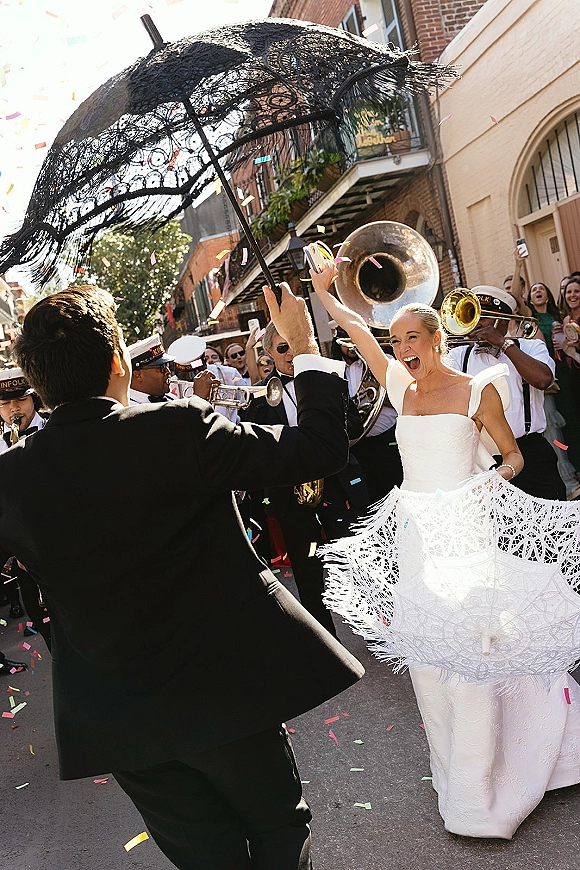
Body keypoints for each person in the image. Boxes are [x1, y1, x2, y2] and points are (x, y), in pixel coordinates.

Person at [0, 281, 364, 870]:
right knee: (277, 829)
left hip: (118, 718)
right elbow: (321, 448)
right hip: (223, 689)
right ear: (119, 359)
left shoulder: (10, 479)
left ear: (37, 387)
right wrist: (305, 348)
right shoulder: (179, 427)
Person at [310, 259, 580, 840]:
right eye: (396, 339)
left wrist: (482, 488)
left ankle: (482, 786)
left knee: (476, 655)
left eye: (413, 337)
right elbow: (355, 329)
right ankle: (454, 768)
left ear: (437, 338)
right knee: (432, 662)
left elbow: (514, 458)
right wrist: (325, 291)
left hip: (467, 536)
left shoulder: (475, 390)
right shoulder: (399, 387)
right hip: (418, 539)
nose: (402, 347)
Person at [242, 321, 368, 638]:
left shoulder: (328, 374)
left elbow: (353, 425)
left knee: (359, 561)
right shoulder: (260, 393)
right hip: (292, 495)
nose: (290, 354)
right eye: (282, 348)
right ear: (268, 353)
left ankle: (378, 630)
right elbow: (255, 443)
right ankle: (329, 645)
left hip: (338, 486)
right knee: (309, 572)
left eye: (295, 345)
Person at [446, 286, 565, 500]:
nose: (476, 325)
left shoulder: (530, 347)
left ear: (503, 319)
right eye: (473, 317)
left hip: (530, 453)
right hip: (483, 459)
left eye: (484, 318)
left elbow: (543, 380)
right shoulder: (458, 355)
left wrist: (504, 344)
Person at [330, 323, 403, 503]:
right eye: (347, 340)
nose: (352, 345)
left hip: (388, 440)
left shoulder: (383, 360)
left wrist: (377, 390)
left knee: (398, 491)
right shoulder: (333, 370)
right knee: (371, 497)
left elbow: (405, 397)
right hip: (358, 446)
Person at [528, 281, 580, 490]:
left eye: (541, 288)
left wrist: (564, 343)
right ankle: (565, 468)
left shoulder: (559, 318)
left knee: (572, 418)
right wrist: (519, 264)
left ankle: (577, 463)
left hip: (564, 373)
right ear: (529, 299)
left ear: (548, 296)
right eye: (533, 290)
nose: (538, 291)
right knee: (556, 427)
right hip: (547, 378)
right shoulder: (529, 320)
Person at [128, 335, 175, 404]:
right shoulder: (129, 408)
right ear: (138, 375)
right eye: (162, 367)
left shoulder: (170, 397)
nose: (168, 371)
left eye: (166, 365)